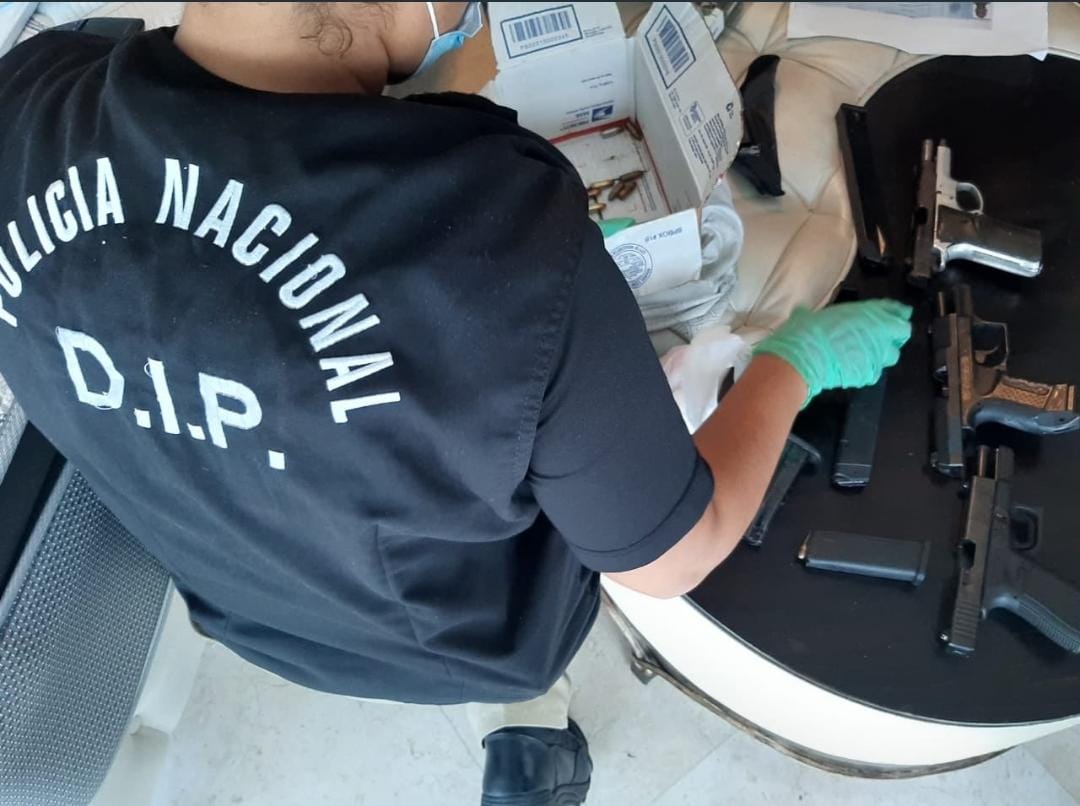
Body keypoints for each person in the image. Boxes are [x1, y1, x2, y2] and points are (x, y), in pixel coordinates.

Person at [0, 3, 911, 804]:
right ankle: (525, 720)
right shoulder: (503, 228)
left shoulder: (24, 99)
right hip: (467, 637)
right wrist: (792, 365)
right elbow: (674, 557)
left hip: (249, 605)